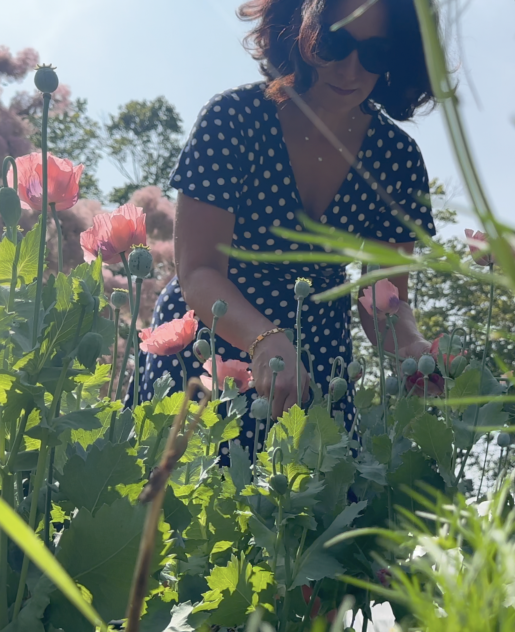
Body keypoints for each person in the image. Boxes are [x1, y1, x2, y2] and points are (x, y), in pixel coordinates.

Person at [130, 0, 441, 461]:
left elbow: (383, 304)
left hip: (318, 362)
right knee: (185, 496)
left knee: (316, 501)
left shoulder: (398, 160)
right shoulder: (233, 118)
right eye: (334, 43)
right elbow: (198, 270)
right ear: (299, 30)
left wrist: (413, 347)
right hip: (205, 345)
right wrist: (264, 339)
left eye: (376, 54)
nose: (351, 69)